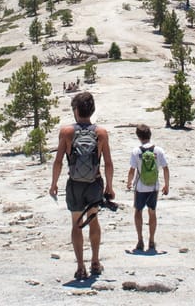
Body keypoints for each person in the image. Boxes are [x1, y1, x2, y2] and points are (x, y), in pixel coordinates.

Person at [49, 91, 114, 280]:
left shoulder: (66, 132)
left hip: (75, 184)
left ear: (76, 110)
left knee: (76, 225)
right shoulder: (101, 133)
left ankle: (80, 267)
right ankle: (95, 261)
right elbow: (108, 162)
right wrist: (109, 186)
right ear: (91, 110)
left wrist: (53, 184)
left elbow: (59, 161)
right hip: (94, 183)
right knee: (93, 220)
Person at [125, 123, 169, 253]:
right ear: (150, 134)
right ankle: (151, 240)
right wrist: (167, 184)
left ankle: (140, 240)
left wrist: (129, 183)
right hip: (154, 186)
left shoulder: (136, 151)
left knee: (138, 211)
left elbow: (132, 170)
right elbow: (165, 168)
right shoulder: (158, 150)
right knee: (152, 212)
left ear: (138, 136)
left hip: (140, 187)